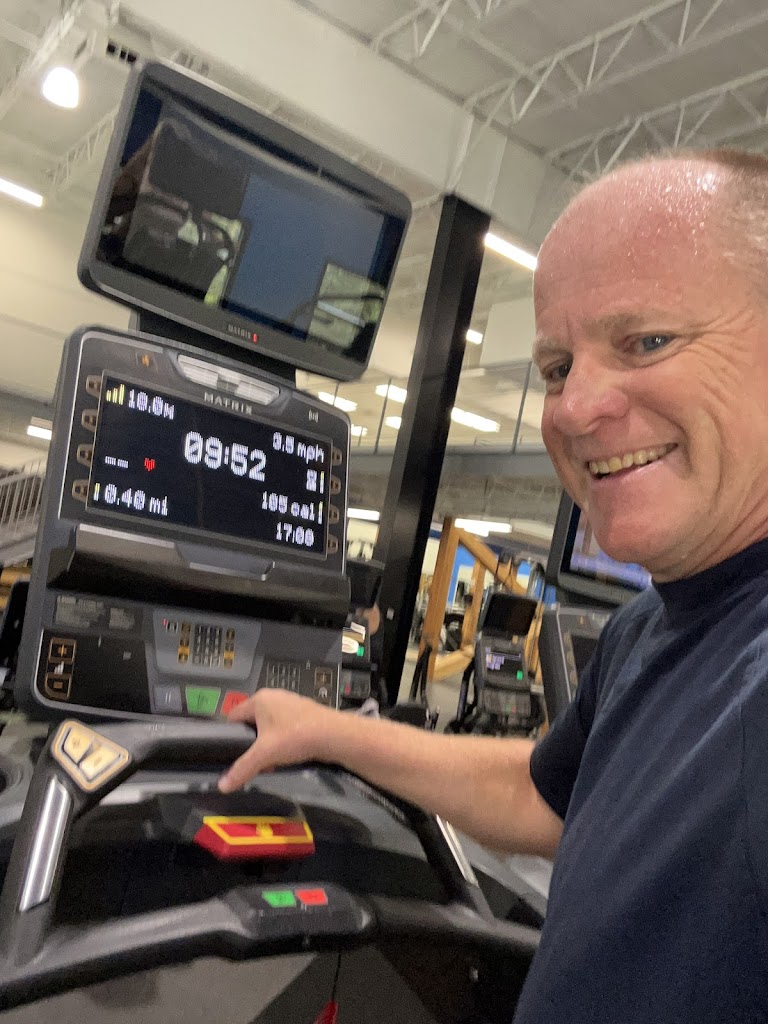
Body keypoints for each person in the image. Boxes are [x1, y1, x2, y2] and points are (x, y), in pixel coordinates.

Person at [219, 149, 768, 1022]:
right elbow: (542, 795)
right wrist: (328, 730)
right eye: (557, 368)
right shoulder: (648, 627)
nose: (573, 409)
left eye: (648, 341)